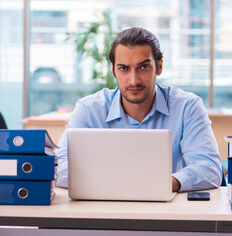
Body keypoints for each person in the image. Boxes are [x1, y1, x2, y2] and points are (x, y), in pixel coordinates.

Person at [56, 27, 222, 192]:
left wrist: (160, 185)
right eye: (124, 68)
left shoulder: (187, 107)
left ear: (159, 67)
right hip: (104, 210)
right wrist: (130, 184)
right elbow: (59, 167)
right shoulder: (88, 109)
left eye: (143, 67)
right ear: (113, 70)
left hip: (169, 212)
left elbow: (209, 168)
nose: (134, 80)